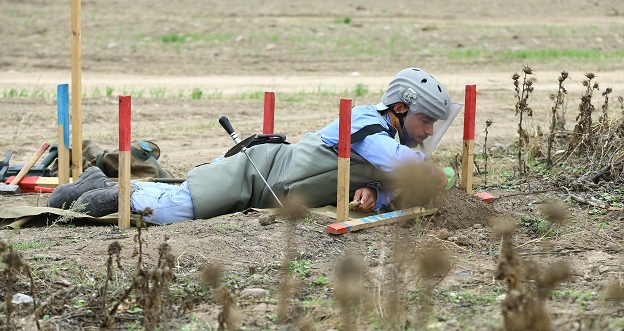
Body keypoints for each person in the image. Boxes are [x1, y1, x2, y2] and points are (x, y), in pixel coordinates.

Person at [47, 67, 452, 225]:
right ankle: (102, 195)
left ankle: (96, 181)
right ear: (400, 108)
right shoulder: (365, 122)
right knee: (178, 209)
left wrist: (376, 193)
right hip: (260, 173)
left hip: (272, 189)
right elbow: (396, 161)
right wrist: (435, 172)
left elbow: (388, 179)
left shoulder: (394, 141)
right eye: (426, 120)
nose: (429, 130)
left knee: (182, 197)